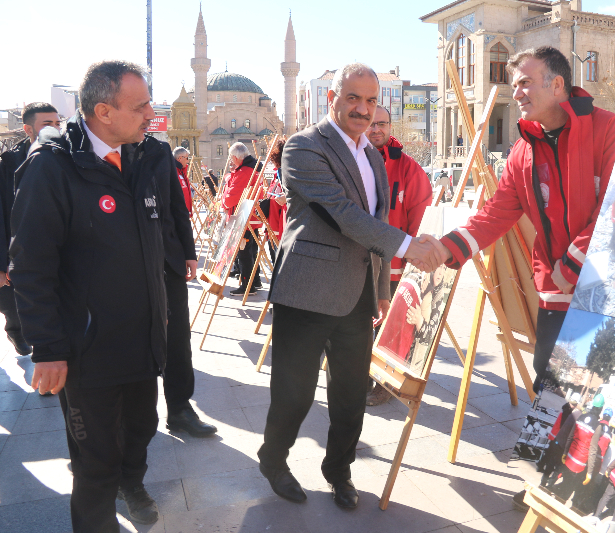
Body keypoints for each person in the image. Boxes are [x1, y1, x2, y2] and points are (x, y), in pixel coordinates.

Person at [429, 47, 615, 512]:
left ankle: (582, 489)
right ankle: (544, 483)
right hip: (555, 292)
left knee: (595, 391)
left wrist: (573, 262)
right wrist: (448, 247)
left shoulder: (606, 128)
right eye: (515, 83)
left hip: (603, 290)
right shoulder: (523, 149)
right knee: (549, 384)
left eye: (524, 82)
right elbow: (497, 213)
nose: (516, 91)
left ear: (557, 85)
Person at [255, 63, 445, 510]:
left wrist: (381, 286)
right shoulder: (304, 147)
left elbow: (374, 223)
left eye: (371, 100)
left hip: (358, 294)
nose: (363, 109)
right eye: (353, 98)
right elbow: (342, 213)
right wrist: (408, 247)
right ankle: (274, 459)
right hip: (307, 290)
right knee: (294, 390)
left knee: (349, 393)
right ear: (332, 99)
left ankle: (338, 470)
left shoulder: (373, 157)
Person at [10, 61, 170, 531]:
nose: (150, 114)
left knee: (141, 429)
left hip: (142, 340)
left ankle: (132, 483)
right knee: (94, 461)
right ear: (103, 110)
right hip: (87, 351)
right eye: (140, 106)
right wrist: (50, 349)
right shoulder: (52, 166)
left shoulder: (144, 155)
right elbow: (33, 267)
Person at [365, 104, 433, 405]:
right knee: (362, 327)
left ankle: (386, 384)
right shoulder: (352, 162)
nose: (376, 129)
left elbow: (421, 221)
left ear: (390, 127)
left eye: (382, 123)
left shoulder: (409, 170)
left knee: (392, 331)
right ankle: (363, 376)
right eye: (370, 123)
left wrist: (412, 265)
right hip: (358, 265)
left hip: (394, 268)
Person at [163, 148, 216, 438]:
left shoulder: (157, 154)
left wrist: (188, 252)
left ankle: (180, 409)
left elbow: (177, 208)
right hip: (120, 266)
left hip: (166, 261)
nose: (148, 114)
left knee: (178, 339)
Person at [0, 102, 61, 356]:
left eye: (58, 123)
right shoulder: (8, 163)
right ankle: (15, 330)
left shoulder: (65, 158)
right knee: (14, 305)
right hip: (16, 252)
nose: (55, 129)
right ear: (28, 129)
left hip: (52, 251)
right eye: (47, 124)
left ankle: (47, 359)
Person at [221, 142, 263, 294]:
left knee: (245, 253)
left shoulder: (244, 172)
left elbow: (231, 198)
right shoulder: (250, 169)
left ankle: (248, 285)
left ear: (234, 157)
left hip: (243, 217)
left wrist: (223, 199)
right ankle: (254, 281)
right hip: (249, 216)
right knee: (250, 251)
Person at [548, 394, 606, 504]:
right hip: (579, 464)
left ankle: (552, 492)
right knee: (567, 491)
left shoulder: (581, 417)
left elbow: (570, 436)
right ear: (600, 408)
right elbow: (593, 450)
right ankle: (555, 499)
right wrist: (589, 472)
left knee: (565, 481)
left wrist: (565, 453)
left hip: (569, 457)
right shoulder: (597, 426)